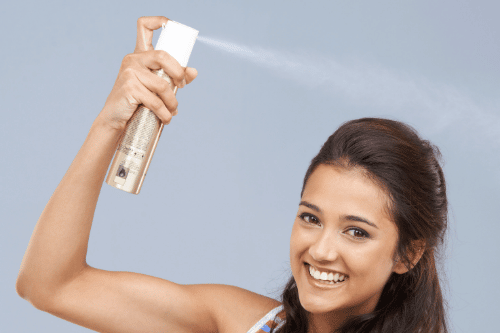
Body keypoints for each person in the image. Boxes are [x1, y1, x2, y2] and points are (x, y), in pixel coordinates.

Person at [16, 16, 448, 333]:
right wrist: (110, 124)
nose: (321, 250)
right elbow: (51, 285)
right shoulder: (240, 322)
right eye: (310, 218)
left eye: (356, 232)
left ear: (407, 254)